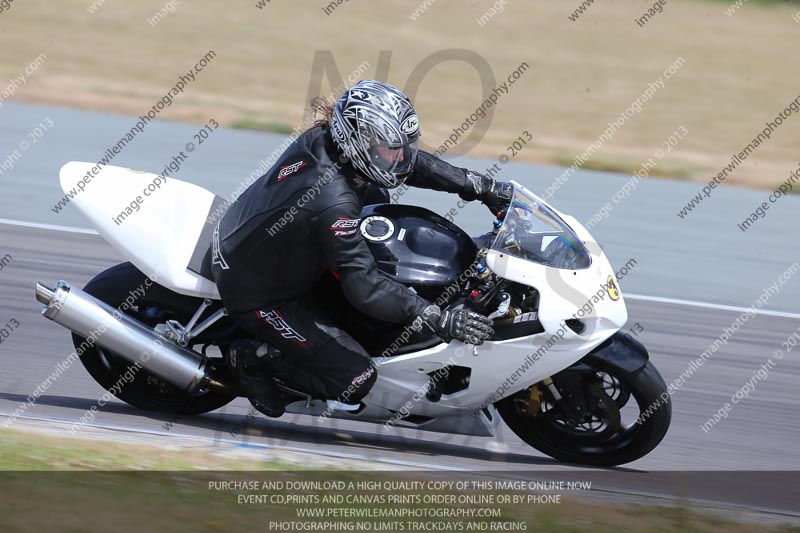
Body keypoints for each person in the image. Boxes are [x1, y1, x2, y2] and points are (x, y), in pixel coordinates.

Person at [211, 80, 512, 418]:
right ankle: (254, 359)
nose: (399, 157)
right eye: (390, 149)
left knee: (377, 201)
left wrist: (480, 187)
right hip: (259, 292)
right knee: (356, 377)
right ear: (359, 142)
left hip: (266, 242)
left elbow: (412, 165)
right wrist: (437, 318)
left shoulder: (326, 140)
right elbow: (364, 286)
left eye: (402, 147)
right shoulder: (333, 203)